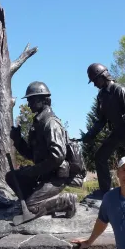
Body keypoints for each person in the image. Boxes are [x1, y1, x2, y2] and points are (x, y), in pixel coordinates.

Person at [8, 81, 77, 219]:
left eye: (31, 100)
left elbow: (57, 157)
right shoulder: (39, 123)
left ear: (43, 100)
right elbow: (32, 155)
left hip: (56, 176)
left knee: (31, 208)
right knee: (12, 176)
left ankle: (66, 201)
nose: (28, 104)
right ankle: (38, 201)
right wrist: (18, 140)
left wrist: (33, 171)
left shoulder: (50, 123)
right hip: (44, 174)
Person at [82, 63, 125, 198]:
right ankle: (105, 192)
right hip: (118, 132)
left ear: (103, 76)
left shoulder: (120, 90)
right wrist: (89, 135)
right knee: (100, 156)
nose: (94, 84)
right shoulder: (101, 96)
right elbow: (101, 120)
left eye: (95, 80)